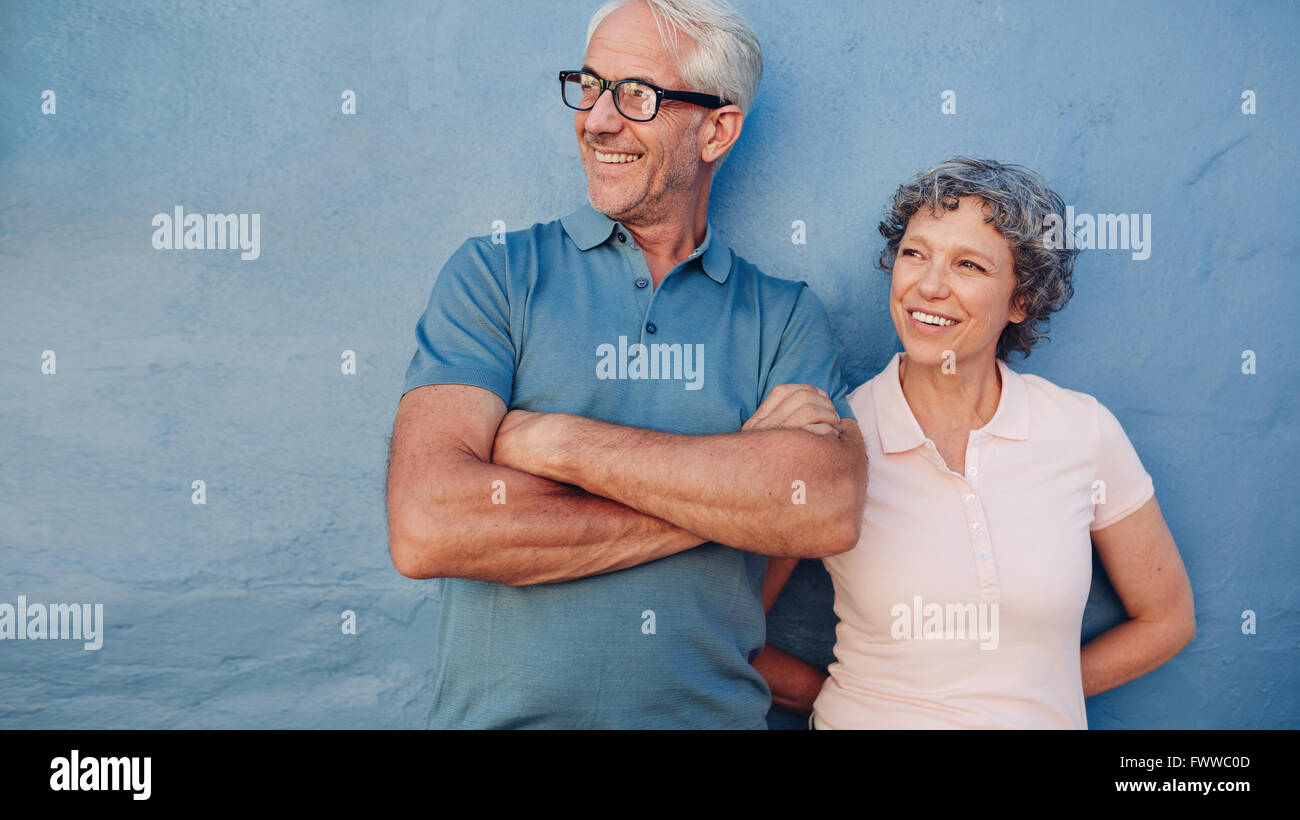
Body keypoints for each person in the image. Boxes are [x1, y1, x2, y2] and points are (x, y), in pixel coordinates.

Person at [385, 0, 867, 729]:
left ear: (717, 129)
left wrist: (557, 444)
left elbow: (823, 507)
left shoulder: (783, 314)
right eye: (589, 84)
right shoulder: (496, 275)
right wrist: (735, 489)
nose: (597, 119)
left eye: (636, 94)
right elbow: (429, 525)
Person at [755, 157, 1196, 729]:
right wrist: (852, 702)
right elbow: (728, 633)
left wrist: (1032, 696)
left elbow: (1168, 618)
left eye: (968, 264)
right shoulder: (836, 436)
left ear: (1020, 301)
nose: (929, 285)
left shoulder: (1082, 431)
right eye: (915, 253)